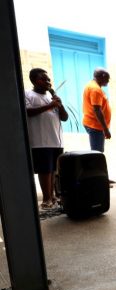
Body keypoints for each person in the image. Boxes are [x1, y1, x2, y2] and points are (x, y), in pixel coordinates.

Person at [24, 68, 67, 209]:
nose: (48, 82)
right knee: (45, 170)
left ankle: (54, 196)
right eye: (44, 79)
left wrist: (59, 105)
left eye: (48, 79)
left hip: (56, 140)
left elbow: (65, 118)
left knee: (54, 170)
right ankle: (46, 199)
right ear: (34, 80)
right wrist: (49, 106)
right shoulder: (28, 94)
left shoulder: (51, 97)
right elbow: (28, 112)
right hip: (40, 141)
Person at [82, 67, 115, 184]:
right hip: (95, 126)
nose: (108, 81)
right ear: (101, 77)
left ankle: (102, 178)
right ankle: (98, 181)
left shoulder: (93, 86)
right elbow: (97, 110)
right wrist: (105, 129)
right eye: (107, 78)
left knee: (98, 153)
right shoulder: (95, 89)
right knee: (97, 154)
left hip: (93, 124)